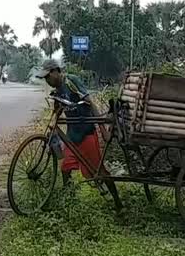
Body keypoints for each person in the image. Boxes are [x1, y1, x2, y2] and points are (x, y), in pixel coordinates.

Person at [35, 59, 122, 209]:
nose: (48, 80)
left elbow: (90, 103)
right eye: (45, 78)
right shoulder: (57, 91)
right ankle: (69, 201)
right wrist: (53, 129)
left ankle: (118, 204)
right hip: (73, 136)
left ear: (56, 71)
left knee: (99, 171)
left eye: (48, 76)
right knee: (65, 169)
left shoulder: (71, 82)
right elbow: (57, 112)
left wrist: (103, 131)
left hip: (86, 132)